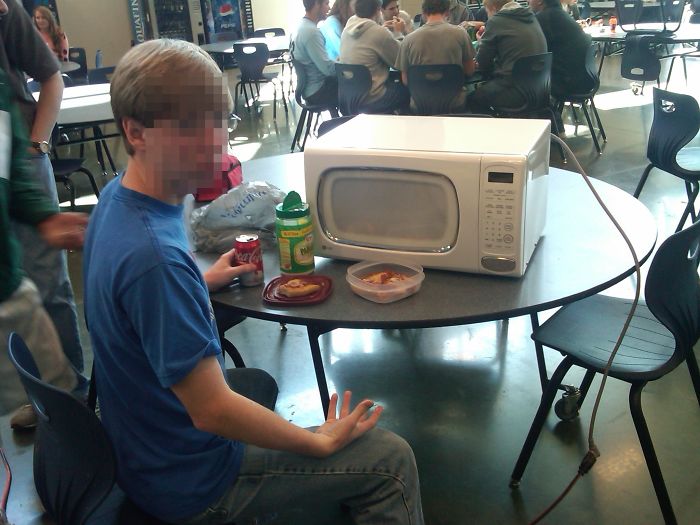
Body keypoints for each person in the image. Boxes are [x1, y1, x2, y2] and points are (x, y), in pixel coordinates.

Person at [83, 38, 424, 525]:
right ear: (135, 131)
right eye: (189, 128)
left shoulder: (119, 201)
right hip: (190, 485)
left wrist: (201, 282)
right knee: (389, 460)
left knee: (257, 383)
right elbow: (211, 411)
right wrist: (316, 440)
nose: (216, 142)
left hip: (142, 451)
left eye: (219, 121)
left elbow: (133, 312)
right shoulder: (155, 260)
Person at [0, 0, 86, 406]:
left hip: (19, 161)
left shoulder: (7, 14)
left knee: (48, 286)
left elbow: (50, 79)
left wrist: (35, 147)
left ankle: (65, 401)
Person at [396, 0, 476, 113]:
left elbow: (406, 80)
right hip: (455, 103)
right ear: (448, 12)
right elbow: (469, 71)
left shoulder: (408, 40)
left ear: (423, 13)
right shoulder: (461, 34)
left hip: (420, 103)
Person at [468, 0, 547, 113]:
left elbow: (483, 63)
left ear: (493, 8)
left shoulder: (497, 21)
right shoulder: (531, 17)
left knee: (473, 99)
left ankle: (497, 129)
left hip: (514, 91)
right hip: (539, 89)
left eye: (487, 12)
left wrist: (482, 43)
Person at [531, 0, 592, 130]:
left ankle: (550, 131)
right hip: (585, 79)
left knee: (528, 86)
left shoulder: (543, 18)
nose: (528, 1)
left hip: (568, 83)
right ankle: (555, 128)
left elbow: (535, 51)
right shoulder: (562, 16)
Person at [340, 0, 410, 113]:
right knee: (408, 91)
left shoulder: (348, 27)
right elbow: (400, 61)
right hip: (374, 97)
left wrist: (380, 29)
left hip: (351, 96)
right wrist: (398, 33)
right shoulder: (379, 32)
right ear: (378, 10)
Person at [292, 0, 340, 109]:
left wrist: (336, 62)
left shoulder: (301, 26)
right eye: (326, 3)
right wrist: (346, 63)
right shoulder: (311, 32)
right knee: (356, 91)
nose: (329, 8)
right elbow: (328, 70)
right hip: (318, 91)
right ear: (316, 4)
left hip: (309, 89)